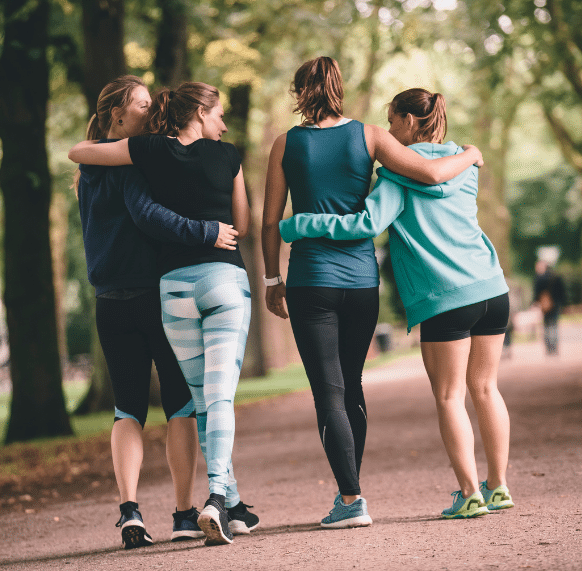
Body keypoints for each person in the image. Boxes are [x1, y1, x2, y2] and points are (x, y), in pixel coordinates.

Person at [261, 59, 484, 528]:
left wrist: (270, 281)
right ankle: (351, 491)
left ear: (300, 91)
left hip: (311, 280)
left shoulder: (286, 143)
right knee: (352, 385)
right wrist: (469, 154)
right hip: (362, 283)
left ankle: (351, 496)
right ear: (340, 88)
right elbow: (428, 173)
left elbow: (268, 222)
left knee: (329, 391)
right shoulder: (369, 136)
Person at [70, 80, 258, 546]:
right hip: (153, 295)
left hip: (108, 299)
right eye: (141, 105)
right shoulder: (137, 159)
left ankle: (130, 511)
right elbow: (148, 215)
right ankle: (182, 512)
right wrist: (206, 231)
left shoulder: (91, 169)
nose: (150, 110)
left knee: (126, 408)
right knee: (182, 403)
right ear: (117, 115)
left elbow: (78, 154)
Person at [533, 259, 566, 356]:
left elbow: (536, 294)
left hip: (545, 305)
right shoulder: (557, 277)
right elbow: (562, 292)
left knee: (546, 326)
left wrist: (535, 303)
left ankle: (548, 348)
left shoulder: (539, 278)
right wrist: (563, 304)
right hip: (556, 304)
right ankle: (554, 348)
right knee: (554, 326)